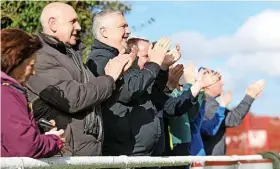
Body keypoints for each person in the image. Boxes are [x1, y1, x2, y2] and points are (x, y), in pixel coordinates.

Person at [87, 10, 219, 156]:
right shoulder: (100, 60)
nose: (128, 31)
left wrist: (162, 68)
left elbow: (153, 100)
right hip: (125, 153)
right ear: (104, 31)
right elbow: (129, 92)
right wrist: (156, 63)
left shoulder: (123, 60)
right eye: (122, 26)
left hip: (144, 153)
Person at [25, 2, 131, 156]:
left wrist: (116, 76)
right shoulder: (41, 57)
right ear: (53, 24)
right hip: (63, 157)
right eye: (72, 21)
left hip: (82, 155)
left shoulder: (70, 56)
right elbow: (73, 98)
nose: (79, 27)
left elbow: (92, 97)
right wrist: (109, 78)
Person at [1, 28, 64, 158]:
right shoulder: (5, 93)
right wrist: (53, 140)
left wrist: (36, 130)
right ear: (16, 61)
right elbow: (25, 147)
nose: (33, 72)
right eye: (31, 65)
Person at [198, 67, 266, 155]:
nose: (222, 83)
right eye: (218, 80)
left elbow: (230, 117)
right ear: (207, 85)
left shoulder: (207, 103)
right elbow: (233, 119)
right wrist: (250, 96)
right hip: (210, 162)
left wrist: (249, 97)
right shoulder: (208, 105)